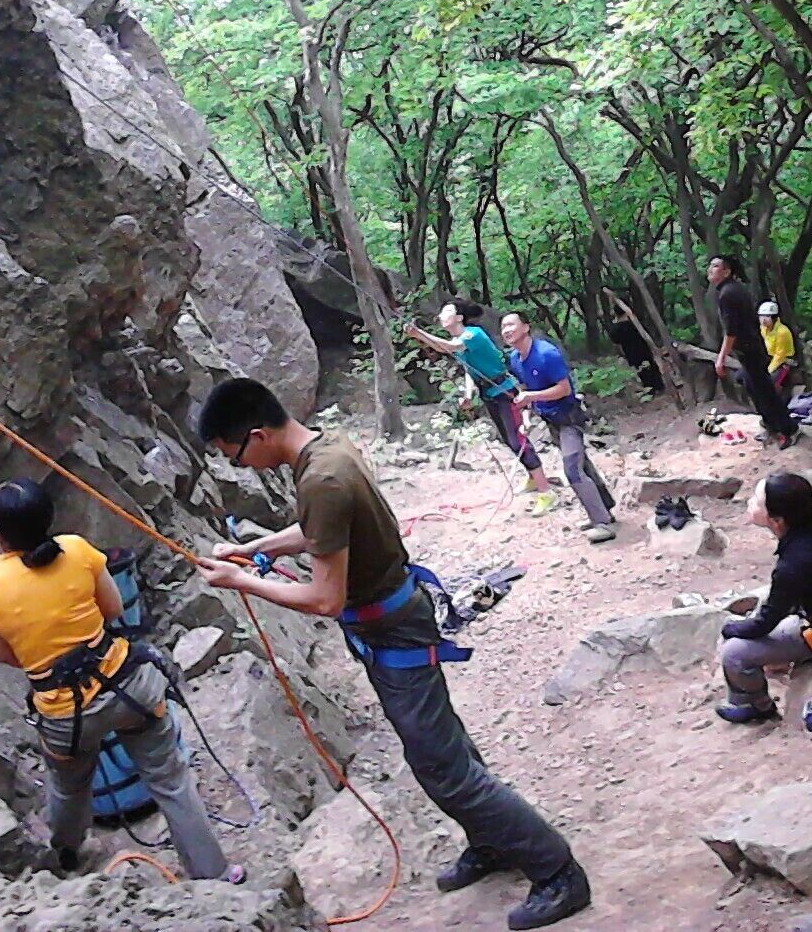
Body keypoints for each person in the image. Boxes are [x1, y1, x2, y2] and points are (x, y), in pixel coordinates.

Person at [194, 379, 591, 930]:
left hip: (393, 631)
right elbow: (320, 534)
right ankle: (493, 841)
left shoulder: (321, 480)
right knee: (444, 744)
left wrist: (243, 582)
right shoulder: (327, 448)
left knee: (441, 767)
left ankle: (559, 871)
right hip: (394, 618)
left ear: (256, 436)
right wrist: (255, 549)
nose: (241, 467)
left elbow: (324, 598)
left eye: (234, 455)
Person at [0, 480, 236, 882]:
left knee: (69, 788)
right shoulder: (75, 549)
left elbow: (7, 656)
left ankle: (69, 854)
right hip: (128, 687)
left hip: (64, 714)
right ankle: (216, 874)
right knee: (170, 780)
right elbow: (112, 608)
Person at [715, 472, 812, 724]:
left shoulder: (794, 564)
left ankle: (754, 704)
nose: (750, 503)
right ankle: (774, 663)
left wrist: (730, 627)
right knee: (765, 600)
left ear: (777, 520)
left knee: (733, 652)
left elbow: (763, 623)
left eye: (757, 502)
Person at [406, 300, 558, 515]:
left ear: (459, 318)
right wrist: (469, 394)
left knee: (518, 440)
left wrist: (419, 334)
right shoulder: (460, 340)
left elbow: (449, 348)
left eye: (447, 311)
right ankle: (534, 478)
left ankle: (546, 491)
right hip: (489, 394)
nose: (441, 314)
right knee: (509, 441)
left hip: (504, 393)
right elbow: (469, 368)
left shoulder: (473, 335)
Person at [500, 313, 618, 544]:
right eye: (503, 326)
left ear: (526, 327)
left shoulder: (546, 354)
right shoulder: (515, 358)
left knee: (572, 468)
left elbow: (564, 389)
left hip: (569, 417)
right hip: (549, 419)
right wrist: (527, 414)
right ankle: (604, 508)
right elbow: (525, 388)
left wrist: (531, 396)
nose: (506, 330)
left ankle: (601, 523)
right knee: (582, 464)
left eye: (511, 324)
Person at [708, 255, 796, 444]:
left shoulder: (728, 294)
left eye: (715, 266)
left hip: (750, 349)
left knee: (765, 391)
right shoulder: (732, 289)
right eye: (710, 265)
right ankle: (771, 424)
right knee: (751, 385)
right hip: (751, 347)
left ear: (727, 271)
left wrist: (721, 358)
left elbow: (731, 331)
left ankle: (787, 430)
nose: (710, 269)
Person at [605, 296, 665, 394]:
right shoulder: (636, 323)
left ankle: (650, 391)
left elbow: (617, 345)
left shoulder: (615, 329)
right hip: (644, 351)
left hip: (631, 354)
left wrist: (622, 354)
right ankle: (659, 387)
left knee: (642, 372)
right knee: (652, 368)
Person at [759, 301, 798, 393]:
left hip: (784, 362)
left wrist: (769, 370)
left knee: (768, 383)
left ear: (774, 317)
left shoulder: (782, 332)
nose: (763, 319)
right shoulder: (763, 329)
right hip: (770, 358)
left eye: (767, 316)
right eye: (761, 316)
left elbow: (780, 355)